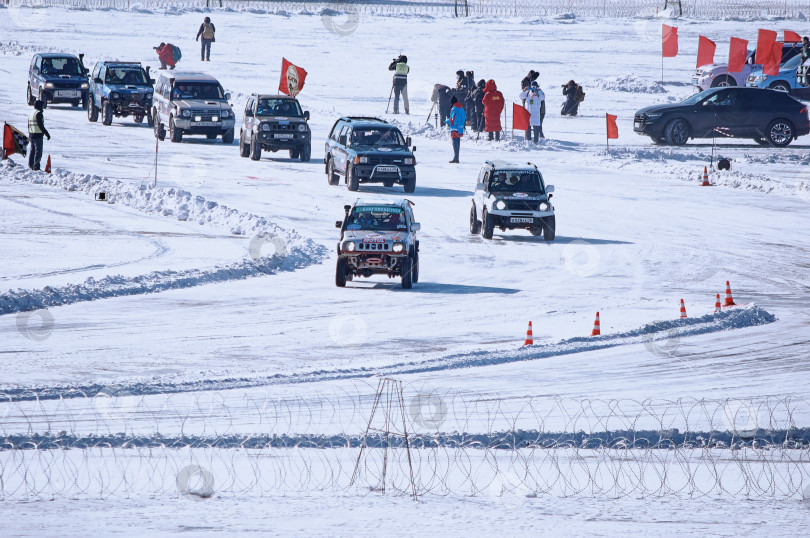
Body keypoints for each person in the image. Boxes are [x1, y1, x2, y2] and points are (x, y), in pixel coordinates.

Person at [28, 100, 50, 171]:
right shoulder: (39, 113)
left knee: (32, 151)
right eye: (42, 106)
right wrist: (47, 134)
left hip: (31, 134)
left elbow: (29, 125)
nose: (43, 108)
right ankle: (36, 167)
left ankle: (31, 165)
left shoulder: (32, 113)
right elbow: (40, 125)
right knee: (38, 152)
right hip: (38, 135)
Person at [445, 95, 466, 163]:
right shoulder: (461, 108)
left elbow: (452, 119)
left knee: (455, 143)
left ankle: (456, 158)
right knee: (458, 142)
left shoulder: (454, 109)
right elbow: (464, 117)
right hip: (460, 128)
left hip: (454, 128)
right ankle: (457, 157)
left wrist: (447, 121)